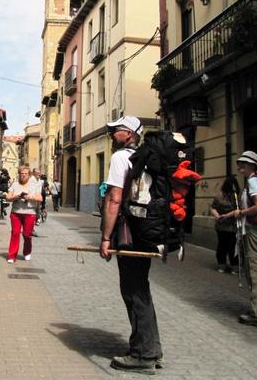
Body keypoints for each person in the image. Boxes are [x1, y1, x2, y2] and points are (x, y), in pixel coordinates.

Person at [99, 116, 163, 373]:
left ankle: (142, 354)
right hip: (147, 231)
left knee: (133, 291)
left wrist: (105, 237)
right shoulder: (146, 156)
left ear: (129, 133)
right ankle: (151, 348)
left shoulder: (120, 158)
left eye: (117, 131)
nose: (113, 135)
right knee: (141, 289)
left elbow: (114, 199)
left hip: (129, 233)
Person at [221, 150, 257, 327]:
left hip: (253, 229)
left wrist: (242, 212)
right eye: (240, 164)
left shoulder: (252, 181)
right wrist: (231, 214)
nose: (240, 167)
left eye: (243, 164)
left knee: (254, 269)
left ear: (252, 165)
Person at [5, 165, 42, 263]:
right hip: (16, 213)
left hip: (30, 213)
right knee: (15, 233)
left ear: (29, 175)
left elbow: (40, 198)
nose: (23, 175)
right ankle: (12, 256)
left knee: (27, 235)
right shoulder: (15, 184)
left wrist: (30, 198)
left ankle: (27, 252)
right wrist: (15, 197)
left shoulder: (34, 185)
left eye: (25, 174)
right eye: (21, 174)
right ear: (19, 174)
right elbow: (7, 198)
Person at [210, 176, 240, 273]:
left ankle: (221, 266)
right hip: (232, 226)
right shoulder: (237, 196)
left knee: (222, 245)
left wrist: (218, 216)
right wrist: (227, 215)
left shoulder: (219, 196)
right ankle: (234, 267)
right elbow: (238, 210)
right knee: (233, 247)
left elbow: (213, 207)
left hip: (221, 225)